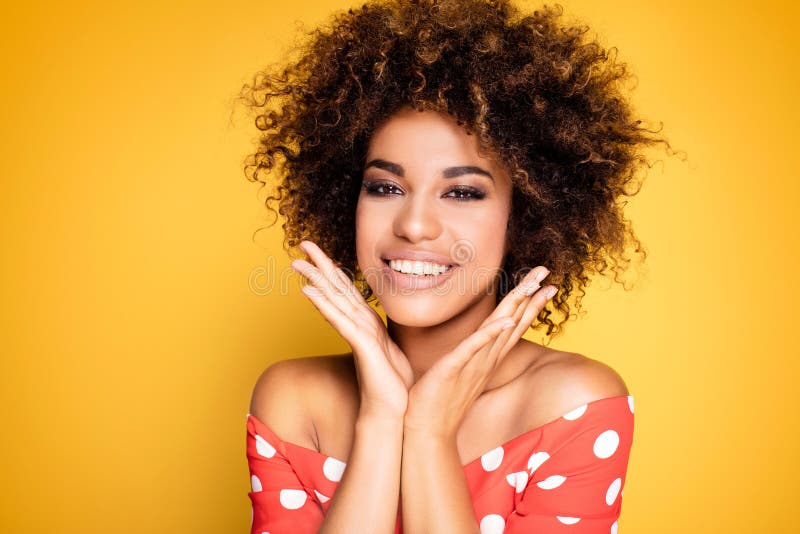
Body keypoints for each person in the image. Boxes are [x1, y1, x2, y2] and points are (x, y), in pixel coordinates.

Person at [238, 1, 668, 532]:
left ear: (526, 216)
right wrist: (381, 418)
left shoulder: (573, 405)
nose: (415, 225)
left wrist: (428, 436)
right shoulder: (294, 397)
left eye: (463, 192)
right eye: (385, 187)